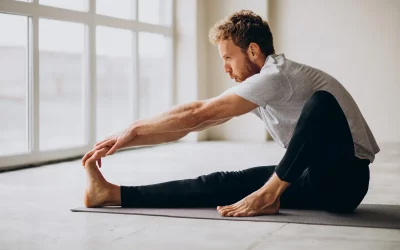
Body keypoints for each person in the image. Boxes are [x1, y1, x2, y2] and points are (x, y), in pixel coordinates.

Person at [81, 10, 380, 217]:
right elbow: (192, 124)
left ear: (252, 51)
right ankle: (110, 194)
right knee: (223, 181)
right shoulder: (261, 86)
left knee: (322, 103)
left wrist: (135, 126)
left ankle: (268, 195)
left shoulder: (277, 76)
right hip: (313, 179)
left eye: (228, 58)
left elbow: (197, 112)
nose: (225, 68)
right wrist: (122, 144)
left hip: (346, 180)